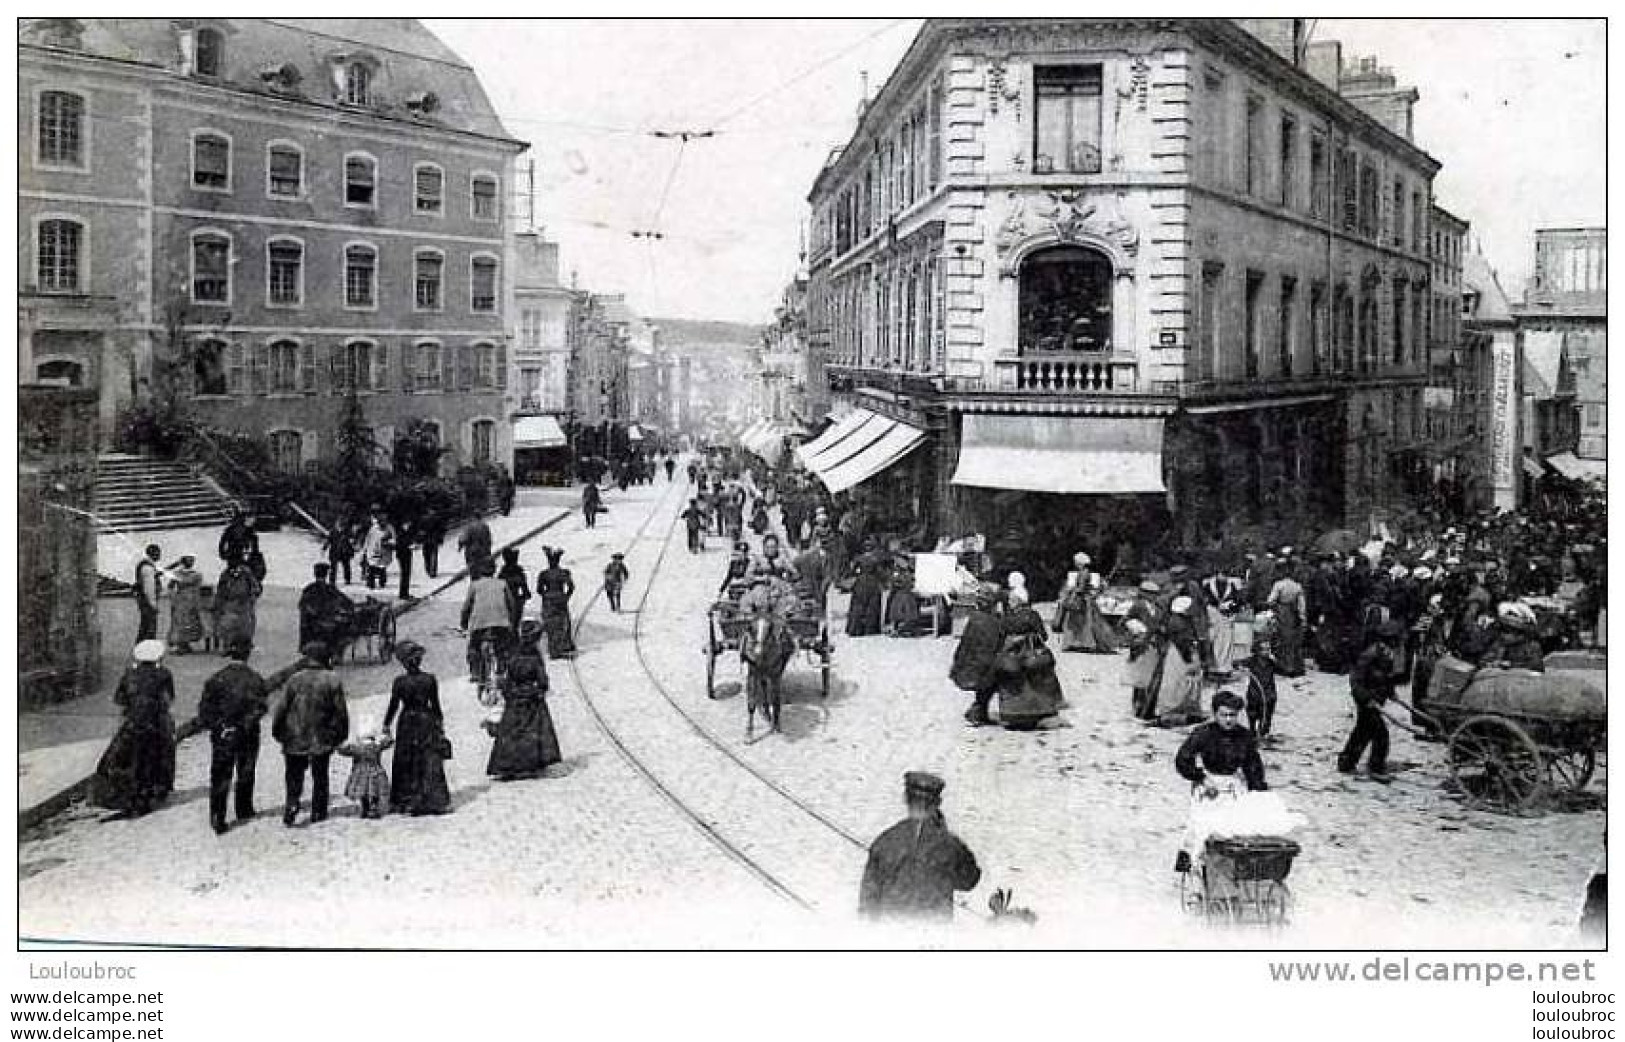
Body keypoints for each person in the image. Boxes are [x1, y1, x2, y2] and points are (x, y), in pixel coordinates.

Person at [859, 772, 982, 923]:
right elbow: (969, 880)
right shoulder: (951, 846)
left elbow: (867, 902)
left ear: (905, 798)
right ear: (938, 803)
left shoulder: (884, 841)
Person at [1172, 691, 1268, 872]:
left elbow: (1253, 766)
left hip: (1233, 784)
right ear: (1215, 714)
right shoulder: (1203, 733)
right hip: (1209, 782)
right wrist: (1199, 776)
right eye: (1224, 715)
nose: (1229, 720)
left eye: (1233, 715)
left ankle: (1229, 866)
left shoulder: (1244, 737)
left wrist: (1258, 791)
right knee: (1202, 823)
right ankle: (1192, 862)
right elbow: (1183, 759)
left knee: (1236, 825)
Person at [91, 640, 177, 817]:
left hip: (133, 722)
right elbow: (169, 698)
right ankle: (152, 791)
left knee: (125, 757)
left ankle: (123, 794)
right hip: (156, 723)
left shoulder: (129, 674)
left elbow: (119, 699)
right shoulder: (164, 674)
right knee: (158, 756)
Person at [272, 642, 350, 825]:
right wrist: (341, 734)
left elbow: (281, 708)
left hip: (295, 735)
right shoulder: (332, 679)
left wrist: (278, 732)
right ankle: (318, 811)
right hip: (321, 736)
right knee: (320, 774)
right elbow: (340, 712)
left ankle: (292, 803)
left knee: (293, 774)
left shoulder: (294, 679)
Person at [195, 638, 267, 834]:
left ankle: (218, 816)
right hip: (248, 733)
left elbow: (204, 711)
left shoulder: (216, 679)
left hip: (222, 734)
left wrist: (222, 726)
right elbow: (260, 708)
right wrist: (243, 725)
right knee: (246, 770)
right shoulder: (255, 679)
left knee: (220, 774)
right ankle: (244, 808)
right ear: (248, 655)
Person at [487, 621, 564, 781]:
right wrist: (539, 689)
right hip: (530, 697)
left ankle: (508, 765)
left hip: (514, 697)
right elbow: (542, 682)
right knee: (537, 725)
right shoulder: (534, 658)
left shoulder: (512, 653)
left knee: (511, 729)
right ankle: (532, 763)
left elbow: (504, 677)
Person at [381, 641, 452, 815]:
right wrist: (440, 725)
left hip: (407, 722)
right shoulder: (429, 680)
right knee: (428, 759)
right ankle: (433, 799)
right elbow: (436, 705)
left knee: (407, 760)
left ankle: (406, 799)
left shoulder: (399, 682)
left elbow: (393, 706)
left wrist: (386, 724)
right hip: (426, 720)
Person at [1337, 621, 1405, 782]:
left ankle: (1346, 762)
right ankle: (1376, 767)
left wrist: (1391, 693)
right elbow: (1356, 680)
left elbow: (1385, 678)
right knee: (1381, 735)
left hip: (1376, 699)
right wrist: (1367, 699)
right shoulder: (1370, 655)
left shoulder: (1387, 653)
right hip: (1366, 700)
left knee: (1362, 731)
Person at [996, 586, 1063, 729]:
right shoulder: (1032, 615)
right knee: (1037, 679)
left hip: (1011, 654)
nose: (1009, 601)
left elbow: (1000, 634)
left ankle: (1012, 713)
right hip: (1030, 654)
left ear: (1018, 601)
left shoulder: (1006, 617)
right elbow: (1044, 636)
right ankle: (1037, 711)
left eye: (1012, 599)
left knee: (1011, 679)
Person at [953, 585, 1005, 727]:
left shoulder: (975, 618)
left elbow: (966, 643)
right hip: (983, 664)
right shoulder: (992, 621)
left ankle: (980, 711)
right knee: (993, 681)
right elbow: (995, 643)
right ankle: (977, 711)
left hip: (970, 662)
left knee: (985, 687)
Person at [462, 560, 517, 681]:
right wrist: (511, 622)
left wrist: (464, 624)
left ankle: (475, 673)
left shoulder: (474, 585)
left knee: (473, 647)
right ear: (494, 570)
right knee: (504, 647)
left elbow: (466, 607)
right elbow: (512, 605)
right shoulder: (502, 583)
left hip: (479, 625)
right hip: (501, 624)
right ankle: (504, 669)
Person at [1053, 551, 1118, 653]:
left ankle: (1081, 643)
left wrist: (1071, 591)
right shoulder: (1084, 572)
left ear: (1080, 562)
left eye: (1076, 561)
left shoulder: (1083, 573)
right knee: (1085, 623)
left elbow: (1081, 588)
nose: (1075, 563)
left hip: (1081, 599)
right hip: (1085, 599)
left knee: (1079, 623)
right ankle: (1081, 643)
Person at [1126, 580, 1167, 720]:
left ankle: (1149, 708)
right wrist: (1138, 630)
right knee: (1141, 678)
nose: (1154, 597)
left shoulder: (1158, 608)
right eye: (1151, 594)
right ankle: (1138, 707)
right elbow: (1126, 620)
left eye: (1155, 594)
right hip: (1141, 645)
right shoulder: (1138, 606)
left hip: (1155, 645)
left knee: (1153, 678)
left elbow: (1162, 623)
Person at [337, 725, 394, 819]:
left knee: (363, 793)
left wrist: (340, 742)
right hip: (375, 772)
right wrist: (387, 733)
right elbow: (388, 742)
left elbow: (343, 751)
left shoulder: (357, 748)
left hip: (360, 774)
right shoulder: (376, 746)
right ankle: (373, 808)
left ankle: (365, 808)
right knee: (374, 791)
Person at [1241, 611, 1281, 740]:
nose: (1266, 652)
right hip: (1254, 693)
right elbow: (1237, 663)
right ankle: (1252, 731)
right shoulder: (1251, 660)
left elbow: (1282, 669)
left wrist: (1275, 661)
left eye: (1268, 649)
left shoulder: (1271, 662)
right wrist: (1239, 666)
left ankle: (1263, 732)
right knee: (1252, 714)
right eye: (1264, 649)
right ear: (1257, 650)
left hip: (1269, 694)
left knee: (1267, 715)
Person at [297, 563, 352, 654]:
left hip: (310, 626)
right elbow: (345, 601)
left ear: (315, 574)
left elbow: (302, 606)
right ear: (326, 575)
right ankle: (335, 650)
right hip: (326, 623)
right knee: (345, 624)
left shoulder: (308, 589)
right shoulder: (330, 589)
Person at [535, 547, 578, 659]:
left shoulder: (544, 574)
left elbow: (539, 589)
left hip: (548, 600)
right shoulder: (563, 573)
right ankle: (565, 645)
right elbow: (571, 587)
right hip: (560, 599)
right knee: (564, 622)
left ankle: (553, 648)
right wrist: (566, 596)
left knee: (550, 624)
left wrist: (545, 595)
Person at [212, 556, 262, 650]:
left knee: (245, 625)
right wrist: (219, 603)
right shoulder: (225, 574)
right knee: (228, 625)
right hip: (230, 602)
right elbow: (221, 590)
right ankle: (228, 646)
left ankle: (244, 644)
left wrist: (252, 598)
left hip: (244, 602)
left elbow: (255, 587)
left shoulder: (246, 573)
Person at [1487, 602, 1546, 671]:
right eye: (1502, 631)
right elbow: (1485, 660)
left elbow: (1536, 667)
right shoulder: (1498, 645)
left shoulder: (1531, 647)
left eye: (1507, 632)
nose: (1503, 635)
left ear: (1520, 634)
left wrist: (1512, 665)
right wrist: (1493, 662)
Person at [166, 555, 205, 654]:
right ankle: (181, 644)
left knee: (189, 621)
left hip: (190, 600)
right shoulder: (179, 574)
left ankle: (185, 644)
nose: (190, 562)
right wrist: (172, 597)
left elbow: (197, 587)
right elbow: (170, 586)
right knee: (180, 621)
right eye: (188, 560)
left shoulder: (196, 574)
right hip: (181, 599)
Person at [845, 545, 886, 637]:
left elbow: (851, 571)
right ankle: (870, 629)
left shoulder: (859, 558)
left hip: (861, 582)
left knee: (859, 606)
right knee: (872, 606)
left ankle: (856, 629)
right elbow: (880, 572)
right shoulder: (876, 559)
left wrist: (857, 575)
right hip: (872, 582)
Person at [133, 544, 164, 643]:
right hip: (147, 601)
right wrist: (153, 604)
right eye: (158, 553)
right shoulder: (148, 568)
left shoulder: (144, 565)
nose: (160, 555)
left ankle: (139, 648)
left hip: (142, 599)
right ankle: (147, 652)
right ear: (154, 554)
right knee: (150, 627)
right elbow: (149, 588)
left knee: (145, 625)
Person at [497, 547, 532, 633]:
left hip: (503, 602)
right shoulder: (519, 574)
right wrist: (522, 599)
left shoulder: (502, 574)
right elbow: (526, 592)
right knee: (515, 626)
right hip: (516, 602)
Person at [323, 517, 356, 586]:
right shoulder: (332, 531)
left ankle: (347, 579)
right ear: (336, 525)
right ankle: (332, 580)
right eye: (339, 525)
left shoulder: (347, 532)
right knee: (333, 567)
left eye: (342, 525)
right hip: (335, 552)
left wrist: (352, 545)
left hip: (344, 552)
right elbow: (328, 540)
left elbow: (352, 541)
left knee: (346, 566)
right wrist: (324, 548)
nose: (341, 527)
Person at [393, 518, 417, 600]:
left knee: (407, 574)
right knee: (405, 574)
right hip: (402, 555)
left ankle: (405, 593)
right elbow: (399, 544)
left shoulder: (406, 532)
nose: (408, 526)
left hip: (407, 554)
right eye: (407, 524)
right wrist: (408, 546)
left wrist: (412, 545)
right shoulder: (400, 533)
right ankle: (403, 594)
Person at [419, 513, 446, 580]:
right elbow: (442, 530)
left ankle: (428, 569)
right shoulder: (437, 519)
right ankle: (432, 571)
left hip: (426, 540)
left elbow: (419, 530)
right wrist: (441, 539)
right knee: (433, 555)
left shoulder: (423, 519)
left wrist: (419, 539)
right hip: (434, 539)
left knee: (426, 555)